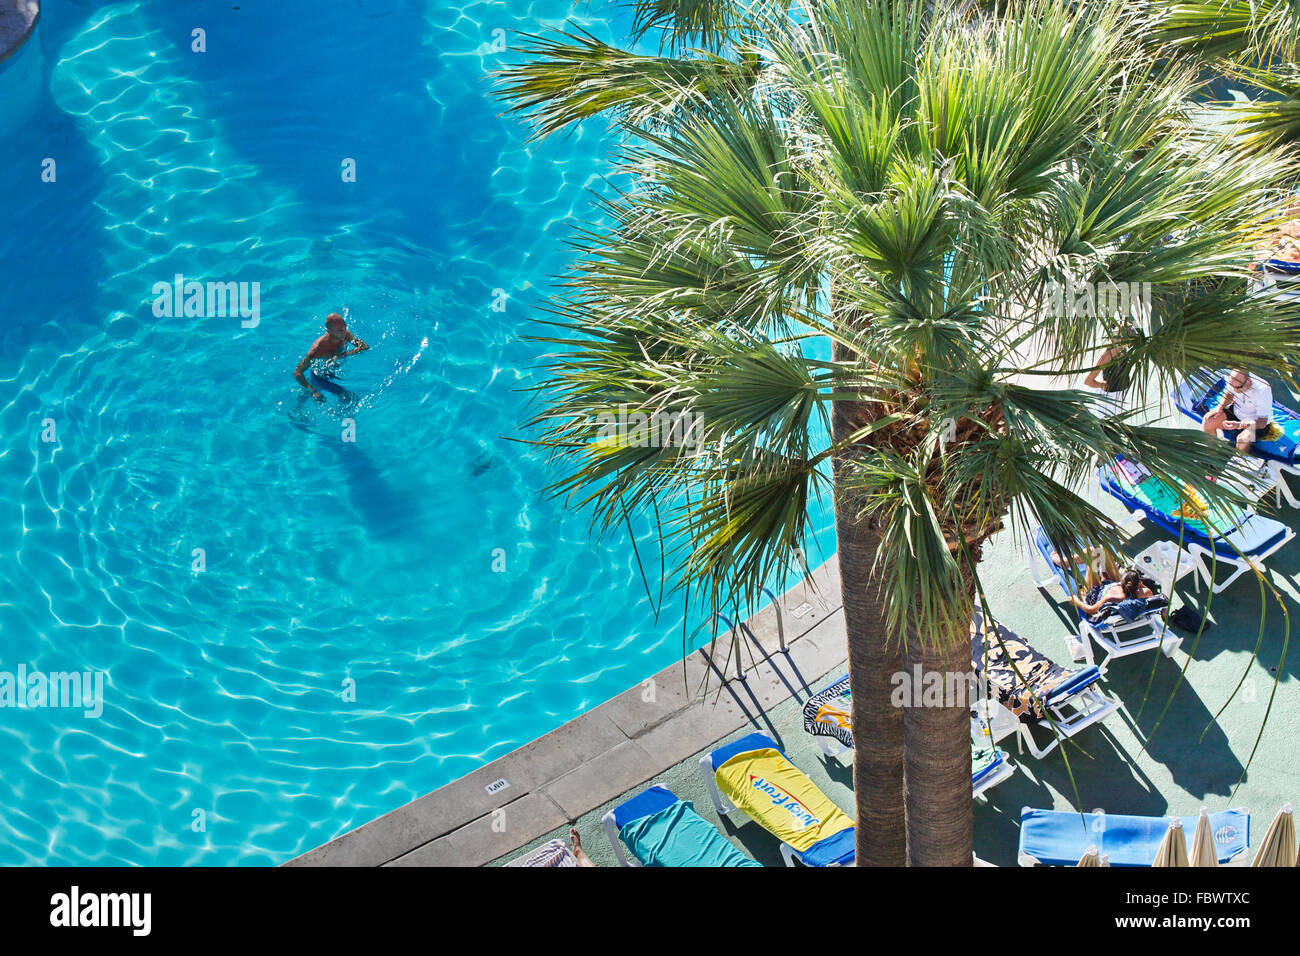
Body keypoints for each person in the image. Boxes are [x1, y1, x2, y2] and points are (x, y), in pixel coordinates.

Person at [294, 312, 370, 400]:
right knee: (346, 396)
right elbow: (297, 372)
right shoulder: (317, 349)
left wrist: (341, 355)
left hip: (333, 371)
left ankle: (305, 395)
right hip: (319, 377)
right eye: (340, 331)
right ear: (329, 331)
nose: (344, 333)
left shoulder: (345, 334)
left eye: (344, 328)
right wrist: (313, 392)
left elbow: (364, 347)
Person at [1202, 369, 1272, 454]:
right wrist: (1219, 408)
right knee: (1207, 422)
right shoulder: (1234, 380)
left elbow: (1262, 422)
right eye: (1233, 387)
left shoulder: (1263, 390)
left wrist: (1239, 425)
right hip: (1237, 412)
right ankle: (1211, 454)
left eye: (1238, 387)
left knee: (1242, 440)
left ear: (1248, 381)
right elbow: (1229, 394)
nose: (1235, 391)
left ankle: (1241, 460)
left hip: (1255, 423)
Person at [1083, 327, 1135, 415]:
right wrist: (1101, 385)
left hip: (1119, 394)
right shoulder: (1107, 355)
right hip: (1110, 397)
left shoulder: (1121, 349)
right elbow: (1088, 381)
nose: (1131, 343)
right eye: (1130, 339)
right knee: (1107, 425)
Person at [1068, 567, 1154, 618]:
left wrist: (1076, 602)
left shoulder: (1113, 596)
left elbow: (1091, 610)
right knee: (1100, 554)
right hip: (1109, 585)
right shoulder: (1144, 592)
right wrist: (1142, 586)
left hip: (1096, 592)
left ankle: (1062, 562)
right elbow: (1150, 595)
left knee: (1094, 557)